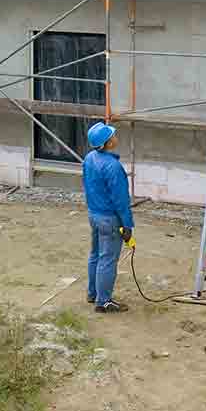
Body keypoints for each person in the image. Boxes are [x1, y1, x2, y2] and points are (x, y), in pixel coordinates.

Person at [82, 121, 134, 313]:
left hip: (94, 214)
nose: (115, 136)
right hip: (109, 219)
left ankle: (93, 293)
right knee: (108, 259)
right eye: (112, 135)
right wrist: (127, 225)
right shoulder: (113, 166)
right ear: (107, 143)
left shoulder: (89, 158)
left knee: (96, 254)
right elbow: (121, 200)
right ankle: (103, 302)